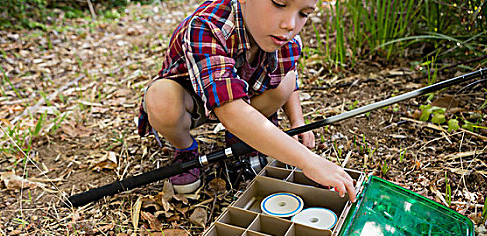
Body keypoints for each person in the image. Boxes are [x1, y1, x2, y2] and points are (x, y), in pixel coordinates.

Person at [137, 0, 356, 202]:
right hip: (190, 100)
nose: (290, 24)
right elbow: (230, 110)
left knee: (286, 80)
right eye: (279, 3)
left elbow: (290, 74)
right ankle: (186, 149)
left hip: (245, 98)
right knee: (160, 98)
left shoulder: (283, 36)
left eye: (304, 14)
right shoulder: (206, 26)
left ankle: (243, 138)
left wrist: (297, 121)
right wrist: (308, 161)